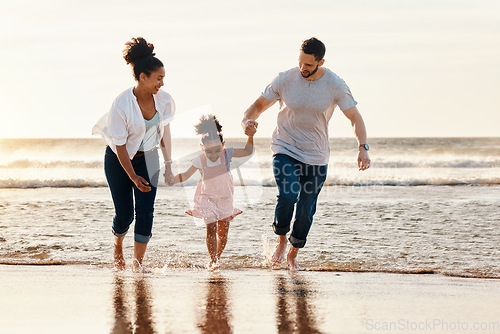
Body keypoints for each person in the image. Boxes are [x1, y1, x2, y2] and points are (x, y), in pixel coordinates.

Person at [241, 37, 371, 271]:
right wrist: (247, 121)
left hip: (316, 156)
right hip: (285, 148)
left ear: (321, 62)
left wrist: (363, 147)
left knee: (306, 208)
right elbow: (257, 106)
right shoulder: (285, 79)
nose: (303, 68)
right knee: (288, 195)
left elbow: (355, 118)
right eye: (301, 62)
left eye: (309, 64)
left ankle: (293, 253)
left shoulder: (335, 85)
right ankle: (281, 241)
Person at [92, 37, 175, 272]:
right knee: (125, 214)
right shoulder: (121, 105)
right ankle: (117, 246)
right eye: (158, 78)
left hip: (149, 158)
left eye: (163, 78)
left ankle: (138, 265)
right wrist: (132, 176)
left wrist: (168, 164)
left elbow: (165, 133)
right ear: (142, 77)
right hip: (120, 161)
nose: (161, 83)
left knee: (146, 210)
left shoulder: (165, 101)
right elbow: (119, 146)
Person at [172, 114, 256, 270]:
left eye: (217, 150)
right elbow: (185, 175)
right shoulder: (200, 160)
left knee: (223, 233)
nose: (213, 154)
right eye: (209, 151)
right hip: (207, 199)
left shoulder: (227, 154)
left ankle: (217, 257)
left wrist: (250, 137)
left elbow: (247, 151)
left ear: (223, 145)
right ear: (202, 147)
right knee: (211, 227)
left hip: (225, 199)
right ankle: (213, 260)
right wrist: (172, 179)